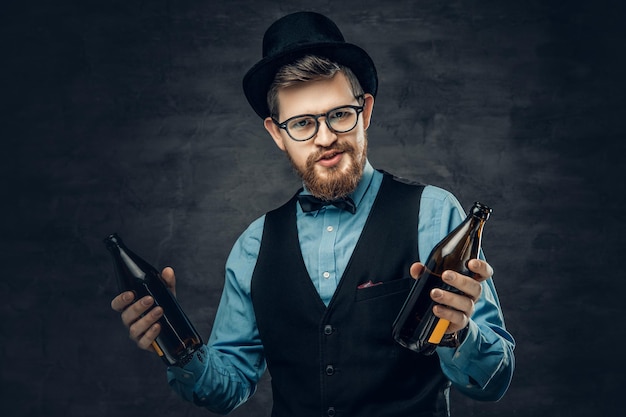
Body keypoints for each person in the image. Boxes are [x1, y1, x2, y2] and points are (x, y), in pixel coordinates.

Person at [111, 11, 515, 417]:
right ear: (277, 134)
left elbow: (494, 381)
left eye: (339, 114)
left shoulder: (434, 213)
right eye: (302, 123)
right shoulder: (254, 246)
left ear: (366, 111)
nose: (325, 138)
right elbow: (225, 388)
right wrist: (178, 349)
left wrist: (461, 334)